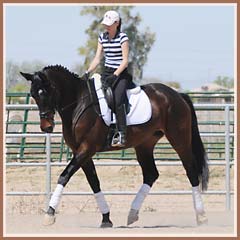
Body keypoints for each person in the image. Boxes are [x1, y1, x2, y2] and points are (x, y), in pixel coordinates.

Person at [83, 10, 133, 147]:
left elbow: (125, 61)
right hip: (105, 73)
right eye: (105, 24)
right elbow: (97, 58)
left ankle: (122, 134)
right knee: (95, 97)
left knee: (117, 99)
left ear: (117, 23)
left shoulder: (123, 38)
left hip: (120, 74)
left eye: (109, 24)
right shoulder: (102, 37)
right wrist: (87, 72)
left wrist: (115, 75)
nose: (106, 26)